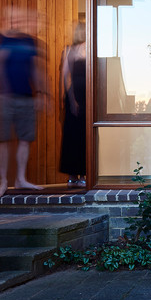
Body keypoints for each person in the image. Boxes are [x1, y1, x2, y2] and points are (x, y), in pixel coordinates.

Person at [0, 6, 46, 198]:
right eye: (13, 18)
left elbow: (36, 69)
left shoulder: (29, 41)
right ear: (6, 19)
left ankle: (21, 179)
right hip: (2, 98)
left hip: (26, 97)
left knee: (25, 139)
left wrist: (41, 93)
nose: (16, 22)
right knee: (2, 139)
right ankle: (3, 182)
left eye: (20, 19)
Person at [59, 20, 87, 188]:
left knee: (85, 135)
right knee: (72, 135)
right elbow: (65, 76)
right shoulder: (70, 50)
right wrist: (72, 100)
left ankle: (84, 173)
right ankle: (72, 175)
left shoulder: (91, 49)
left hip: (88, 96)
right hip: (74, 95)